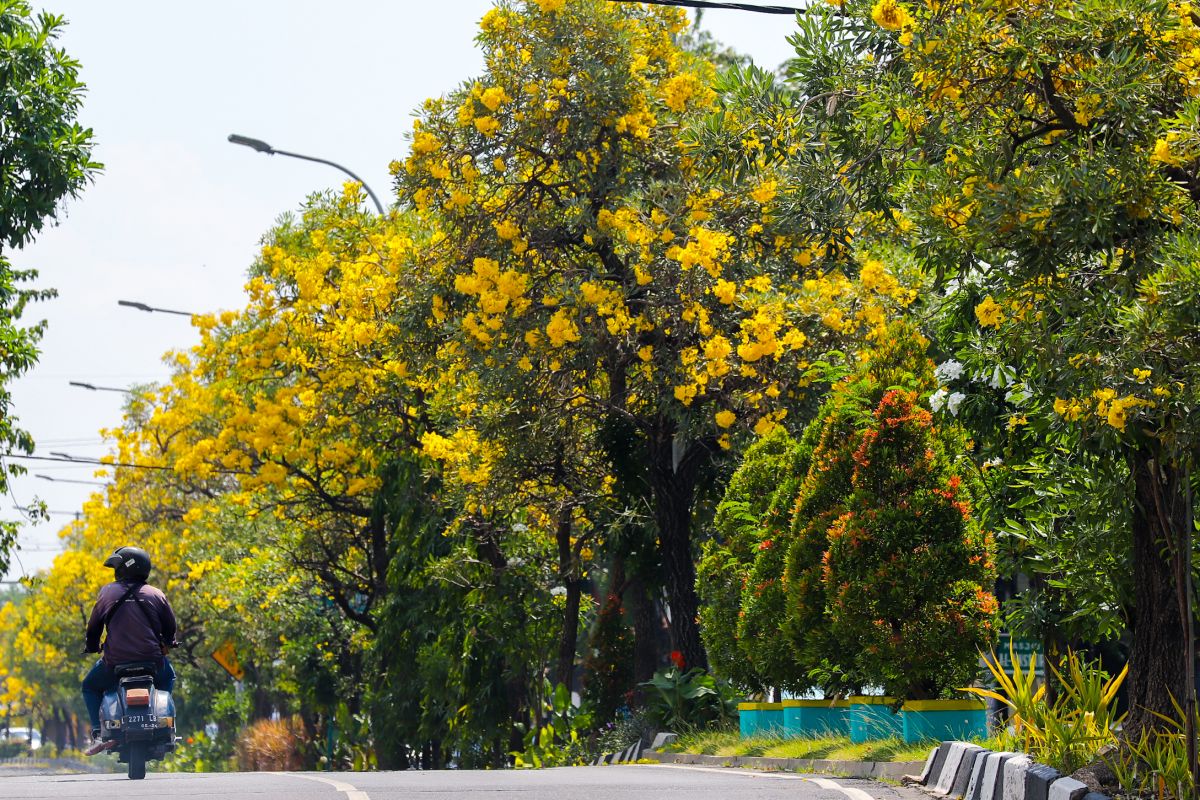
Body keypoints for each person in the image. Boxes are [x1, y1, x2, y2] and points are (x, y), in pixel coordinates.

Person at [81, 546, 178, 754]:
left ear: (124, 569)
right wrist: (170, 642)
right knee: (168, 677)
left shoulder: (107, 592)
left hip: (114, 662)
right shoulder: (156, 594)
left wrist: (91, 646)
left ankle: (98, 732)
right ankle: (163, 723)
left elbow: (93, 628)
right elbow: (170, 628)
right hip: (152, 661)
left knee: (89, 686)